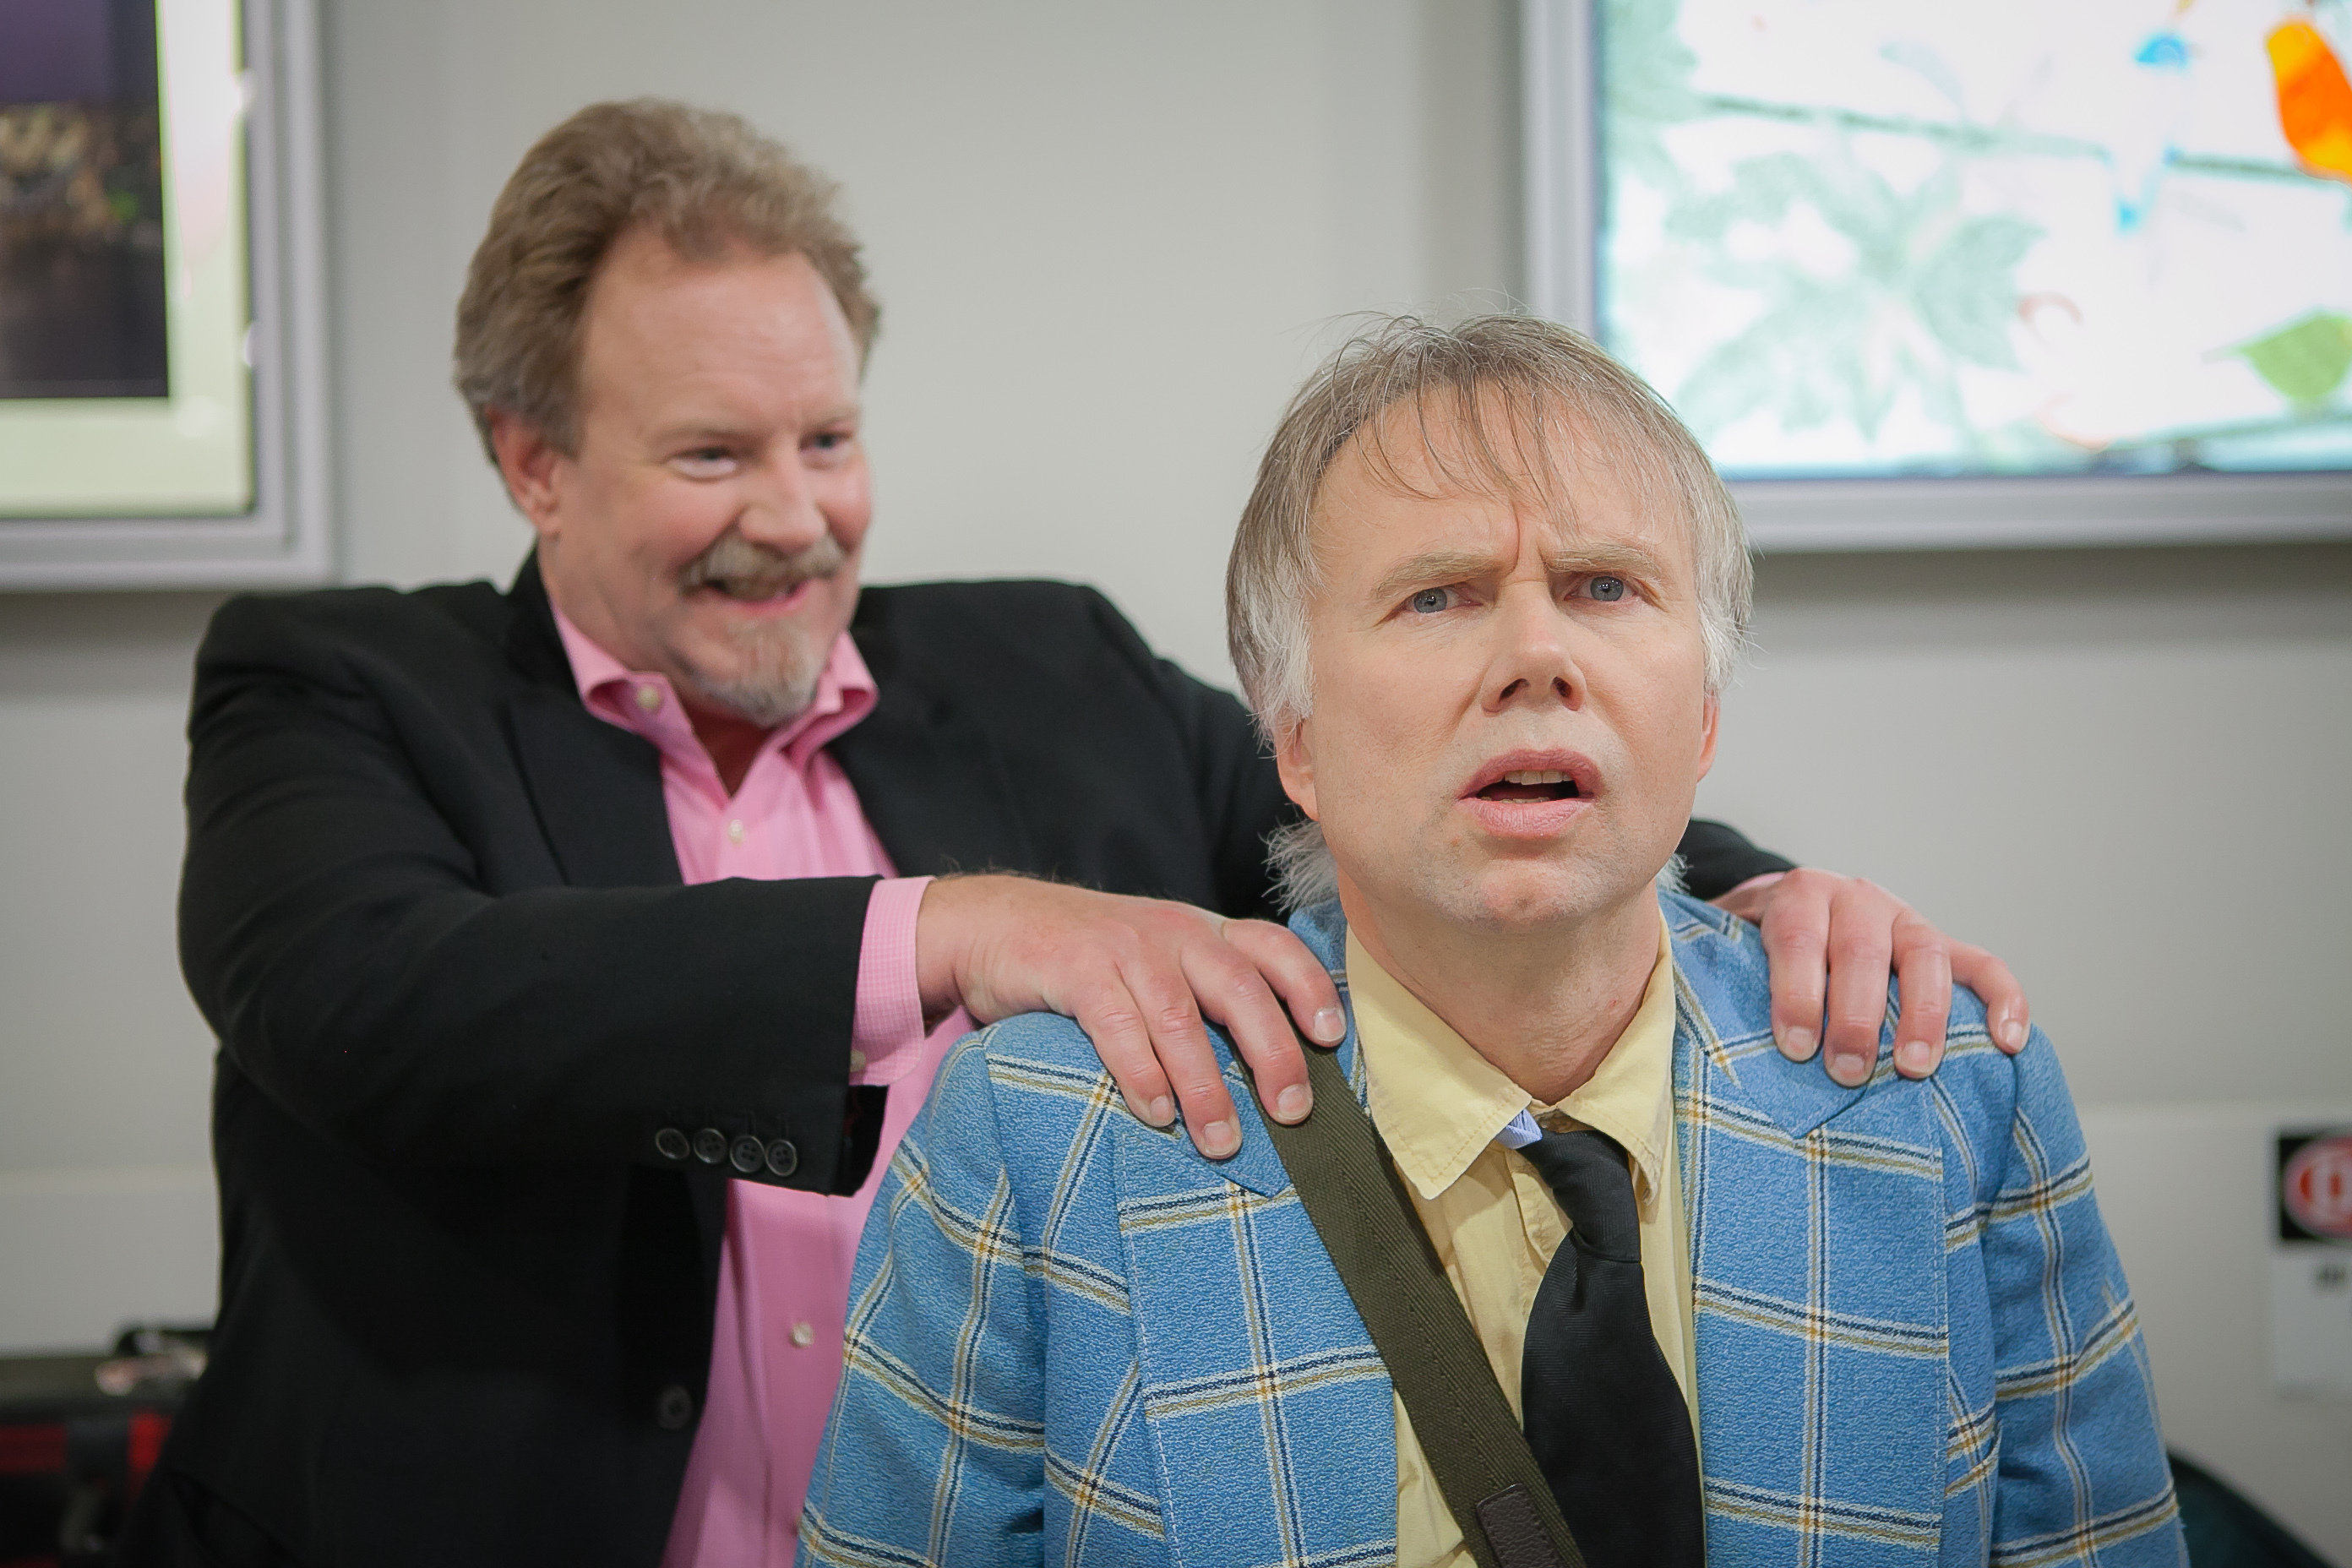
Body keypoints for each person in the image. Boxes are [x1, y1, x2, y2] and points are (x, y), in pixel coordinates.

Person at [128, 102, 2029, 1567]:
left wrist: (1759, 892)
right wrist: (947, 930)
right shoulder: (337, 682)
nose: (795, 518)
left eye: (829, 441)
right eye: (714, 454)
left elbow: (1423, 800)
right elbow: (365, 996)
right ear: (531, 459)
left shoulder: (1045, 661)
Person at [801, 315, 2180, 1567]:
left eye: (1603, 587)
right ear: (1295, 740)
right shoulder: (1044, 1143)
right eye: (1439, 596)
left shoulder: (1952, 1097)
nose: (1536, 654)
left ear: (1702, 716)